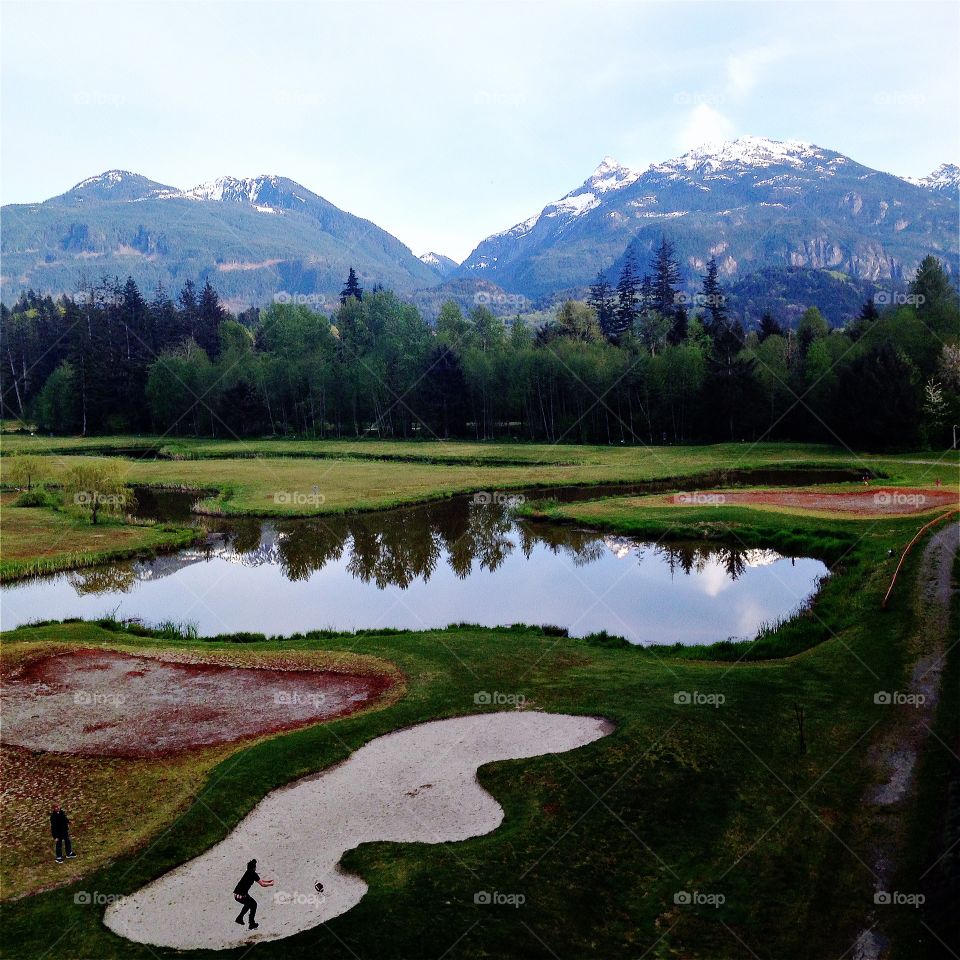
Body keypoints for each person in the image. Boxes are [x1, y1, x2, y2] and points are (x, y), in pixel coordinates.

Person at [233, 858, 274, 930]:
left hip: (236, 894)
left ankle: (240, 918)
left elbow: (259, 880)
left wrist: (268, 881)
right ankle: (251, 923)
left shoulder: (247, 872)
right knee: (254, 904)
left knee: (249, 904)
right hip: (241, 895)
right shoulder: (253, 874)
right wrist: (270, 884)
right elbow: (262, 884)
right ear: (254, 867)